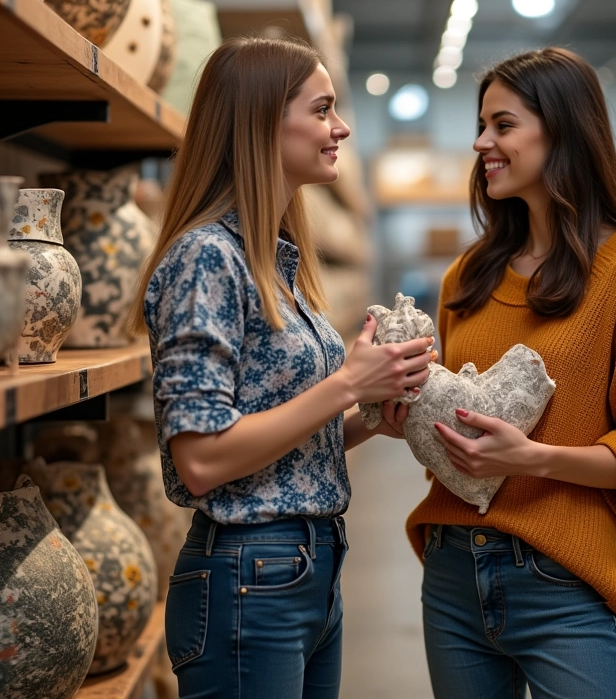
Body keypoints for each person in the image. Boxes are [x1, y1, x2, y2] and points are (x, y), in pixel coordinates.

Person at [126, 36, 434, 699]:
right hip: (249, 576)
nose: (340, 128)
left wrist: (370, 417)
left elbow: (277, 446)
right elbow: (201, 458)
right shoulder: (207, 258)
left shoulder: (274, 262)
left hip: (306, 570)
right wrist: (347, 384)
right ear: (263, 123)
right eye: (322, 110)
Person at [405, 47, 616, 699]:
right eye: (481, 125)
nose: (481, 143)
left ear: (562, 130)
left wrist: (533, 459)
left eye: (503, 125)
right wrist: (407, 415)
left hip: (565, 579)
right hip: (452, 574)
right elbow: (451, 431)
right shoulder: (466, 278)